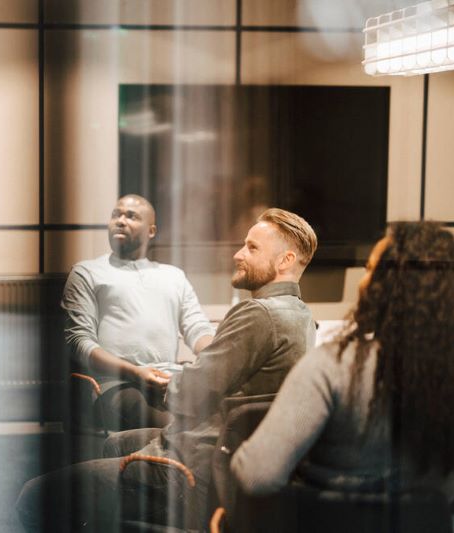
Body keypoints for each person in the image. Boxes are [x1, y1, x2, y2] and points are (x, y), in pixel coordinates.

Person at [16, 208, 318, 532]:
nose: (238, 254)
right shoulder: (302, 316)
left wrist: (155, 379)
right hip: (226, 453)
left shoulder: (256, 314)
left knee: (34, 496)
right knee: (114, 444)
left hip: (189, 467)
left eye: (252, 248)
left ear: (285, 260)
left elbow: (189, 393)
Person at [232, 221, 454, 505]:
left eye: (370, 271)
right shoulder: (446, 378)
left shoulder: (332, 367)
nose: (362, 282)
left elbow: (256, 476)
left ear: (389, 287)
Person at [64, 194, 215, 430]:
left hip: (170, 378)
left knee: (220, 420)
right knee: (177, 430)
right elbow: (79, 341)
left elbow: (197, 328)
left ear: (151, 231)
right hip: (116, 383)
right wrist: (135, 373)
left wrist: (217, 359)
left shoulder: (173, 276)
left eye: (131, 216)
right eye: (116, 214)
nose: (121, 221)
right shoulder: (88, 272)